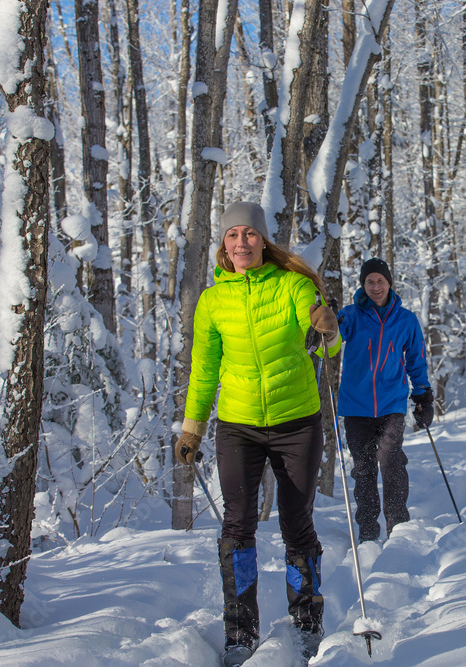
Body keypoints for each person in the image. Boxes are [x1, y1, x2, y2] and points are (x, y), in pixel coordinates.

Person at [173, 201, 340, 667]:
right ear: (223, 245)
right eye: (232, 235)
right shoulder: (212, 300)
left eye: (249, 234)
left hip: (296, 421)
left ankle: (307, 620)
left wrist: (328, 328)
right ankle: (239, 633)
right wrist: (192, 427)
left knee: (295, 521)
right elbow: (204, 370)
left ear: (263, 241)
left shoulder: (292, 285)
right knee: (237, 522)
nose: (241, 242)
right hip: (238, 426)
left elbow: (329, 345)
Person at [336, 258, 434, 543]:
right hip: (356, 406)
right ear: (363, 285)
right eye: (370, 282)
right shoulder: (350, 315)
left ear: (390, 283)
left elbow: (416, 359)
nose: (375, 287)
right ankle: (368, 530)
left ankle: (398, 525)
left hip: (391, 403)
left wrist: (423, 395)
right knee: (363, 468)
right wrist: (326, 321)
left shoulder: (406, 320)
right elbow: (328, 343)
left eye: (380, 281)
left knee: (391, 462)